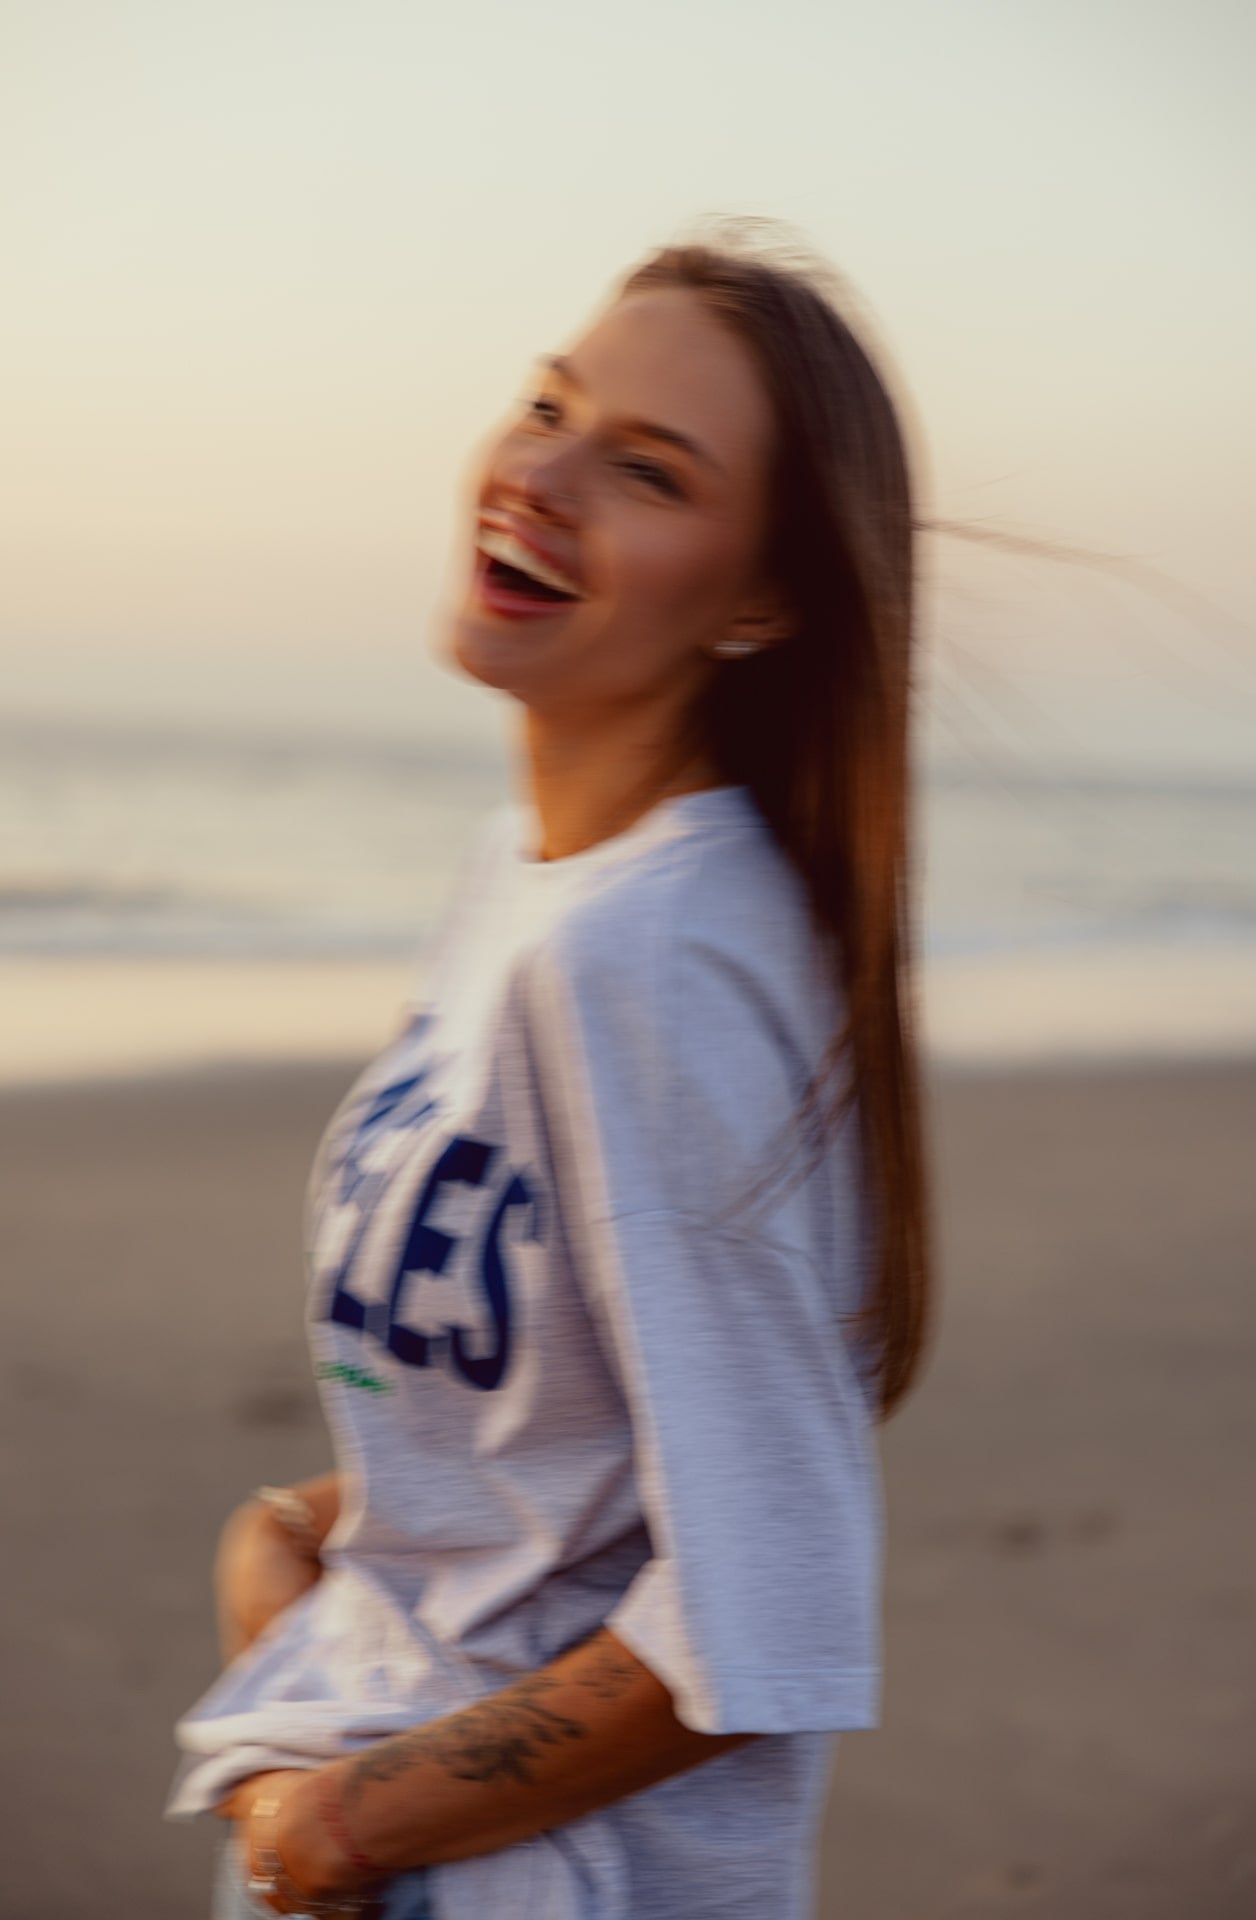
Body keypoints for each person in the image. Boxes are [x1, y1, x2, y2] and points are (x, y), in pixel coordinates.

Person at [166, 218, 935, 1920]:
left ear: (765, 599)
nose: (543, 475)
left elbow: (772, 1591)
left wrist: (345, 1828)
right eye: (547, 404)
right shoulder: (530, 884)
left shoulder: (647, 956)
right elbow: (564, 1421)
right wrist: (309, 1537)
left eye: (648, 471)